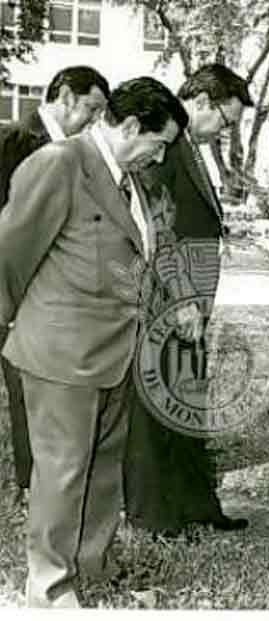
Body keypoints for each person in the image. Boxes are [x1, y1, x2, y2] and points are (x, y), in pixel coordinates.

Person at [0, 77, 190, 608]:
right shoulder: (59, 163)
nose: (159, 156)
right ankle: (50, 588)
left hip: (115, 353)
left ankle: (93, 570)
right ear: (130, 127)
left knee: (103, 470)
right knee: (62, 473)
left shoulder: (130, 181)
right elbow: (8, 254)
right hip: (60, 355)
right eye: (158, 143)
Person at [124, 63, 254, 538]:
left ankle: (197, 505)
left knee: (186, 410)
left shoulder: (189, 149)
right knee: (157, 413)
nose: (225, 130)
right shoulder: (164, 148)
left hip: (191, 308)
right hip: (167, 303)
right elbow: (159, 228)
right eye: (224, 120)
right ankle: (157, 517)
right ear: (200, 101)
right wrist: (180, 301)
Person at [0, 65, 110, 505]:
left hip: (43, 294)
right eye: (91, 108)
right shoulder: (12, 142)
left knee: (29, 391)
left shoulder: (78, 154)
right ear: (65, 95)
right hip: (12, 288)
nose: (94, 121)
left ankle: (31, 485)